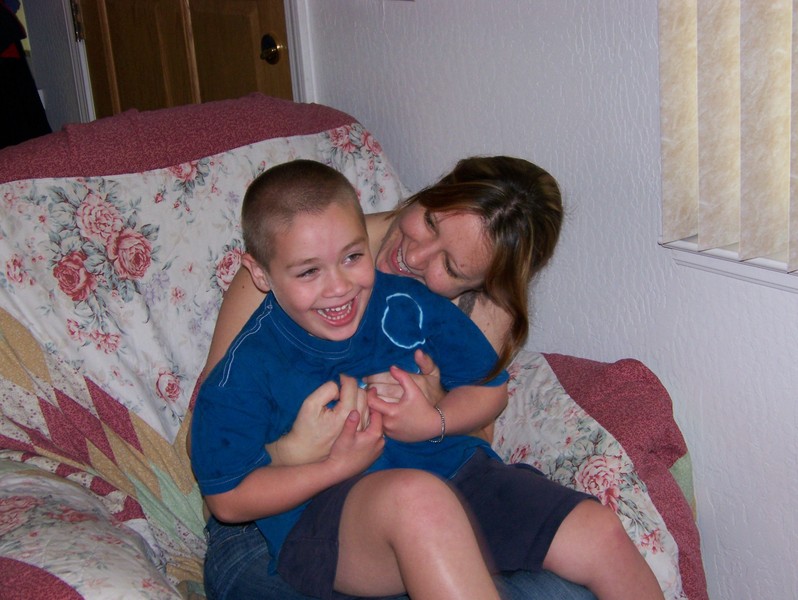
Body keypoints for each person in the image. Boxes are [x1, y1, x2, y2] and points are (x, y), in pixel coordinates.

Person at [191, 160, 664, 600]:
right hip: (335, 512)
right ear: (262, 274)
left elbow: (489, 391)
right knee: (420, 502)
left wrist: (433, 418)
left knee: (598, 531)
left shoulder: (410, 302)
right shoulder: (252, 356)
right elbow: (226, 493)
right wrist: (317, 460)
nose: (338, 286)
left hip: (459, 477)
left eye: (353, 257)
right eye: (433, 224)